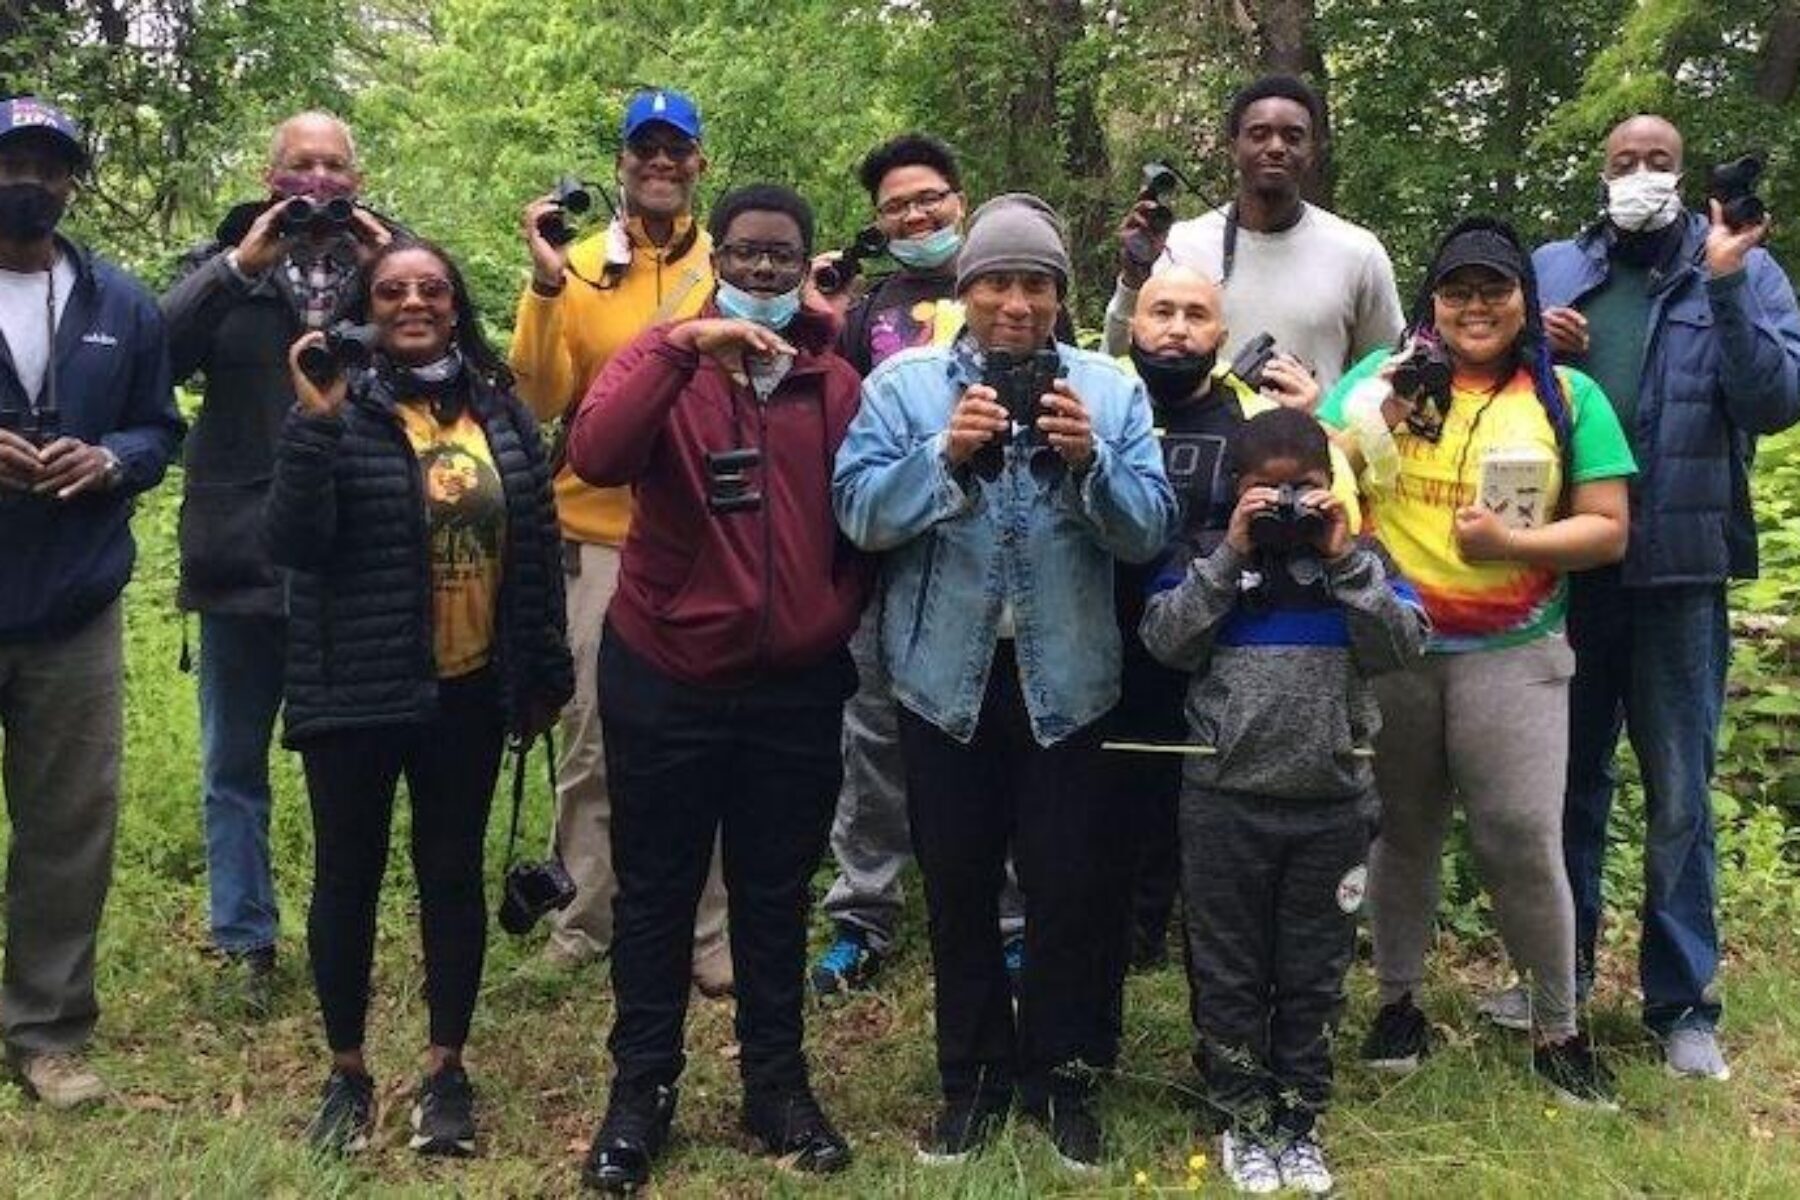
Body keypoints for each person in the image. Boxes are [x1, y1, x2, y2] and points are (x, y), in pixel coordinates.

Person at [834, 194, 1176, 1171]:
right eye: (995, 283)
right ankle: (972, 1084)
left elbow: (1147, 529)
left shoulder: (1109, 391)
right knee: (959, 885)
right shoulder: (902, 388)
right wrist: (944, 455)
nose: (1014, 304)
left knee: (1071, 887)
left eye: (1034, 284)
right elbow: (858, 513)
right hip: (946, 679)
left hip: (1070, 680)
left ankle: (1063, 1082)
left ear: (1060, 296)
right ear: (964, 291)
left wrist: (1090, 462)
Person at [569, 185, 867, 1194]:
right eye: (745, 256)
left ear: (806, 263)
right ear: (718, 262)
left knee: (776, 895)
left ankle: (777, 1087)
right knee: (655, 891)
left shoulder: (833, 381)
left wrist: (831, 615)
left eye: (783, 257)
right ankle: (640, 1094)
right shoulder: (668, 364)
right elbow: (596, 453)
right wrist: (678, 347)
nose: (765, 274)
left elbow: (863, 517)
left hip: (795, 683)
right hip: (666, 673)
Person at [1318, 217, 1635, 1107]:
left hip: (1517, 650)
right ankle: (1398, 1004)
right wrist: (1372, 416)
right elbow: (1319, 470)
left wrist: (1511, 540)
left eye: (1494, 289)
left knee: (1521, 839)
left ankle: (1559, 1028)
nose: (1475, 306)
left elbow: (1609, 530)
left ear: (1523, 301)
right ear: (1433, 303)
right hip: (1397, 648)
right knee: (1402, 833)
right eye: (1456, 290)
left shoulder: (1568, 395)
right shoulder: (1381, 380)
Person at [267, 239, 572, 1156]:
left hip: (470, 687)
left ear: (455, 303)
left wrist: (544, 671)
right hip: (356, 686)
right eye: (392, 290)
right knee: (346, 877)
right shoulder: (337, 403)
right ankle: (348, 1071)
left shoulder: (496, 404)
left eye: (431, 289)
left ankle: (446, 1069)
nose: (412, 303)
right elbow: (294, 541)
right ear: (367, 301)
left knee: (451, 877)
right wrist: (314, 424)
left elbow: (539, 539)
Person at [1514, 115, 1800, 1080]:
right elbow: (1493, 388)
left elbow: (1774, 400)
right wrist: (1530, 346)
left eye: (1660, 163)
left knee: (1679, 794)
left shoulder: (1744, 268)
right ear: (1600, 172)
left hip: (1683, 566)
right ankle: (1562, 980)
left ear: (1684, 174)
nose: (1641, 175)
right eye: (1625, 162)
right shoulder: (1554, 266)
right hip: (1574, 567)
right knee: (1568, 788)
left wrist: (1724, 282)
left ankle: (1682, 1002)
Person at [1142, 407, 1426, 1195]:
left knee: (1315, 969)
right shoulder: (1206, 557)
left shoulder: (1361, 559)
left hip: (1331, 804)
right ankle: (1242, 1116)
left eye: (1305, 487)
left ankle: (1298, 1118)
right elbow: (1165, 641)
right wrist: (1232, 553)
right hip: (1225, 801)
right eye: (1269, 491)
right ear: (1237, 493)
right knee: (1229, 969)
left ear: (1332, 488)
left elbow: (1404, 647)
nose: (1290, 505)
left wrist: (1345, 563)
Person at [161, 110, 394, 1012]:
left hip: (354, 552)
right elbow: (156, 350)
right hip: (240, 551)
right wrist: (240, 266)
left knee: (351, 758)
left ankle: (346, 929)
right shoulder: (229, 267)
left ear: (359, 174)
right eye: (302, 165)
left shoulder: (387, 265)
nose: (319, 181)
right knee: (234, 760)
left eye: (335, 163)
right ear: (270, 174)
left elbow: (448, 339)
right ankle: (246, 938)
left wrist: (387, 260)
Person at [511, 86, 729, 985]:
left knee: (710, 735)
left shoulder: (733, 265)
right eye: (645, 149)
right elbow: (537, 397)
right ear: (622, 164)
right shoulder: (581, 270)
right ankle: (582, 922)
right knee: (594, 734)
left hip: (710, 534)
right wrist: (543, 284)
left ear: (699, 164)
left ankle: (709, 935)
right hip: (599, 535)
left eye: (677, 148)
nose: (661, 163)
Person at [0, 95, 183, 1110]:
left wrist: (110, 458)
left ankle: (47, 1031)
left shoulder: (121, 302)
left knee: (69, 827)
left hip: (73, 605)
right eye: (12, 161)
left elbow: (162, 431)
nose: (31, 181)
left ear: (74, 181)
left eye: (50, 165)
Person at [811, 132, 1025, 998]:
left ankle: (1011, 919)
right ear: (878, 221)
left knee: (1005, 731)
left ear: (959, 198)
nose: (916, 214)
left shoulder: (1013, 286)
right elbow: (840, 420)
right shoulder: (868, 309)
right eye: (897, 205)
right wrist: (820, 311)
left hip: (999, 553)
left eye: (929, 197)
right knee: (872, 735)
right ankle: (863, 914)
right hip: (896, 547)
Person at [1109, 266, 1352, 975]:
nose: (1177, 327)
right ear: (1135, 322)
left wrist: (1321, 418)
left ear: (1221, 333)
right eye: (1161, 311)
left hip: (1217, 640)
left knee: (1185, 796)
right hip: (1103, 628)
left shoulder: (1252, 417)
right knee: (1112, 799)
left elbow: (1335, 494)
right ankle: (1116, 932)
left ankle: (1184, 933)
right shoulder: (1101, 395)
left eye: (1195, 314)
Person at [1101, 74, 1404, 390]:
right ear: (1234, 147)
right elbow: (1116, 367)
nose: (1276, 147)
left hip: (1310, 437)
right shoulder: (1178, 246)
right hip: (1193, 436)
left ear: (1311, 151)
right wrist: (1134, 280)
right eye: (1259, 134)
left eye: (1293, 136)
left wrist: (1327, 418)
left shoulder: (1356, 252)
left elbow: (1387, 375)